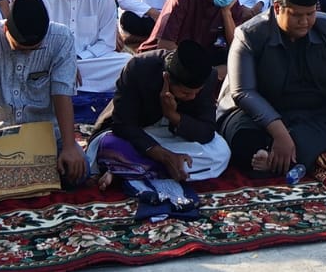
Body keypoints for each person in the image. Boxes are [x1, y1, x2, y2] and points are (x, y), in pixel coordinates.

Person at [216, 0, 326, 175]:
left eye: (310, 14)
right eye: (297, 15)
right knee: (242, 138)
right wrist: (280, 133)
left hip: (313, 110)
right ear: (278, 8)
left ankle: (279, 159)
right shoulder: (249, 34)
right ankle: (300, 154)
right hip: (260, 114)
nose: (305, 21)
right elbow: (244, 93)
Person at [0, 0, 87, 195]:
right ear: (5, 30)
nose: (25, 53)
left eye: (33, 50)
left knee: (79, 173)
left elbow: (62, 94)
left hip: (46, 133)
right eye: (19, 47)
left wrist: (70, 146)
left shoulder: (61, 38)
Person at [87, 40, 231, 183]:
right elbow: (123, 125)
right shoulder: (139, 67)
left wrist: (174, 117)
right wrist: (164, 156)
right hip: (138, 134)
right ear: (167, 79)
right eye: (186, 93)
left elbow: (206, 131)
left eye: (196, 93)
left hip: (173, 136)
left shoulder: (208, 77)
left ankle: (124, 170)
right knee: (110, 145)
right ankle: (138, 168)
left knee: (220, 152)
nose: (192, 97)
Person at [35, 0, 129, 93]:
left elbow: (107, 43)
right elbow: (40, 40)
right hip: (54, 61)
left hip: (89, 62)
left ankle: (65, 84)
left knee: (125, 63)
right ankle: (76, 83)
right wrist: (63, 62)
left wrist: (77, 59)